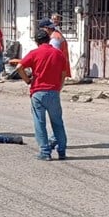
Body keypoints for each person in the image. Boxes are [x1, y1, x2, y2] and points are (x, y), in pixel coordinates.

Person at [15, 29, 67, 161]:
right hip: (54, 91)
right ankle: (61, 151)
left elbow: (19, 67)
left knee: (39, 122)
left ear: (36, 41)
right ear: (49, 39)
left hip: (38, 91)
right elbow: (63, 73)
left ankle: (45, 152)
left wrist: (27, 80)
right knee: (57, 122)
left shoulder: (34, 53)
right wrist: (58, 88)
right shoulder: (58, 54)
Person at [48, 13, 72, 79]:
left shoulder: (58, 27)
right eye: (54, 19)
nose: (56, 21)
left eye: (57, 19)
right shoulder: (50, 27)